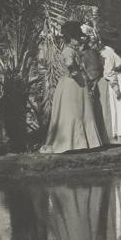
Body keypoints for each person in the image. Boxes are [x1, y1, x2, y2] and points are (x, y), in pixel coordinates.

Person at [41, 21, 105, 154]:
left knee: (80, 111)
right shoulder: (68, 51)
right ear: (70, 38)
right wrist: (75, 72)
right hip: (72, 85)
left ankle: (80, 143)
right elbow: (70, 64)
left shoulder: (72, 50)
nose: (78, 40)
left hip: (76, 84)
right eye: (76, 38)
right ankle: (71, 143)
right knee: (73, 112)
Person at [98, 31, 121, 145]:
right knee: (117, 107)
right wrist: (116, 87)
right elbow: (108, 71)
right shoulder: (108, 53)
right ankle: (116, 137)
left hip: (116, 79)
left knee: (118, 108)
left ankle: (119, 136)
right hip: (113, 81)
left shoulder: (110, 52)